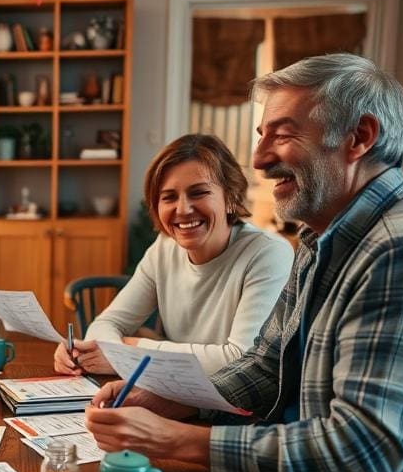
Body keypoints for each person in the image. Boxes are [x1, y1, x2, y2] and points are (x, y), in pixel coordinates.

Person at [86, 54, 403, 472]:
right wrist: (168, 402)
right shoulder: (324, 240)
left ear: (359, 137)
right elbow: (265, 366)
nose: (261, 157)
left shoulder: (400, 247)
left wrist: (184, 440)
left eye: (282, 133)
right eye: (262, 134)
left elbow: (364, 448)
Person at [55, 133, 293, 376]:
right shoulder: (164, 249)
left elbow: (240, 360)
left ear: (230, 196)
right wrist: (85, 352)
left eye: (198, 193)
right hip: (175, 392)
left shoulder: (268, 253)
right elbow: (106, 325)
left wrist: (135, 348)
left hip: (234, 407)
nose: (183, 209)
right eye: (168, 197)